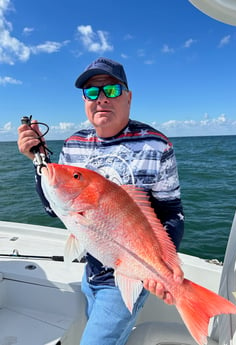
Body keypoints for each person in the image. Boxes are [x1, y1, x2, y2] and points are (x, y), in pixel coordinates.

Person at [17, 57, 184, 345]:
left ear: (129, 97)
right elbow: (54, 208)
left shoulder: (156, 145)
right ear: (84, 101)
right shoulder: (73, 145)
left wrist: (166, 267)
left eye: (112, 90)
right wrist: (38, 162)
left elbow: (171, 213)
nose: (101, 99)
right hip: (90, 271)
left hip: (127, 276)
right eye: (92, 92)